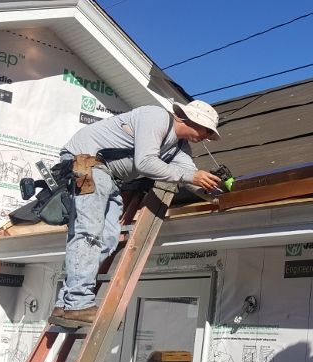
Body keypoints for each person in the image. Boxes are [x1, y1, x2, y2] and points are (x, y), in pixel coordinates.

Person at [49, 100, 224, 327]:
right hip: (85, 161)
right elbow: (145, 162)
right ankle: (78, 303)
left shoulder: (178, 148)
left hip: (108, 176)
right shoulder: (157, 118)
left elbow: (191, 175)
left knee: (110, 238)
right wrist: (191, 177)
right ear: (189, 119)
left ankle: (65, 304)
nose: (207, 136)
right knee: (89, 232)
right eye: (207, 130)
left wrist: (220, 194)